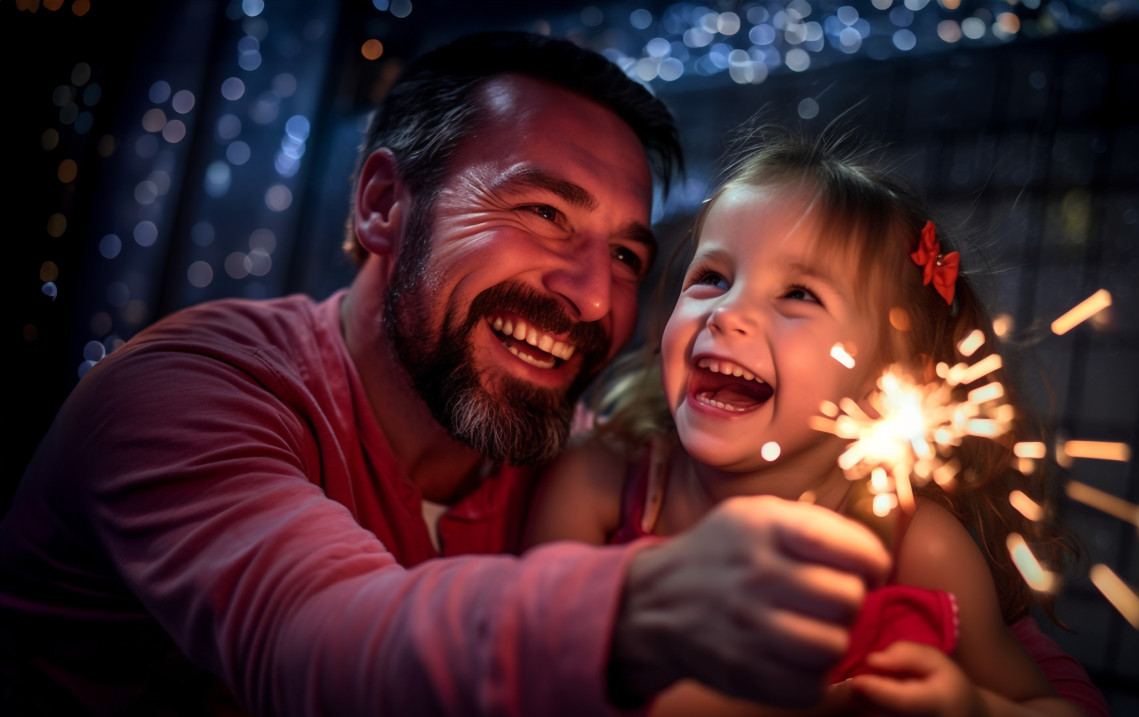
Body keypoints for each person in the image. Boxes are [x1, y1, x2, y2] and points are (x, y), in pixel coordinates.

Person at [0, 33, 896, 716]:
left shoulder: (584, 461)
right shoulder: (181, 394)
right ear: (383, 204)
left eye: (627, 255)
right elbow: (313, 642)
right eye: (542, 211)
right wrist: (631, 612)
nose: (593, 297)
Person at [525, 126, 1111, 716]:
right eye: (712, 278)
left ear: (890, 379)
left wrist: (972, 708)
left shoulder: (918, 550)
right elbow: (531, 675)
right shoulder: (599, 482)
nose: (727, 312)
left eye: (799, 294)